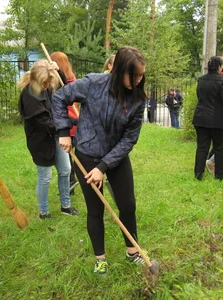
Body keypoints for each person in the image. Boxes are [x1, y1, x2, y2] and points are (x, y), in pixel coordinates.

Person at [52, 46, 147, 277]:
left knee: (128, 205)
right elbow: (59, 97)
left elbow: (129, 139)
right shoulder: (93, 84)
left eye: (141, 75)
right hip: (86, 155)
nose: (137, 80)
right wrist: (64, 131)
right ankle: (100, 259)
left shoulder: (137, 100)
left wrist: (103, 167)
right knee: (95, 210)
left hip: (116, 158)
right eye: (132, 75)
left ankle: (132, 251)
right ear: (118, 70)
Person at [18, 60, 80, 220]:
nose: (48, 85)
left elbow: (63, 89)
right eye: (45, 82)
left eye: (48, 82)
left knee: (66, 170)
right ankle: (43, 212)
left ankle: (66, 206)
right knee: (45, 176)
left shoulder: (45, 88)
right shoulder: (29, 96)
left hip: (56, 135)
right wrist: (71, 123)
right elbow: (46, 123)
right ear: (38, 81)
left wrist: (58, 72)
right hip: (40, 141)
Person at [192, 56, 223, 180]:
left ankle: (198, 174)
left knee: (202, 148)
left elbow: (199, 96)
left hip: (201, 118)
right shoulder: (222, 82)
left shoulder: (201, 80)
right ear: (219, 67)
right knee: (219, 149)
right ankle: (219, 176)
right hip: (218, 120)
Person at [50, 52, 79, 191]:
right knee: (71, 156)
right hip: (72, 122)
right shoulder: (72, 78)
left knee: (70, 157)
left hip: (68, 123)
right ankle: (71, 184)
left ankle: (71, 183)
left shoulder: (68, 81)